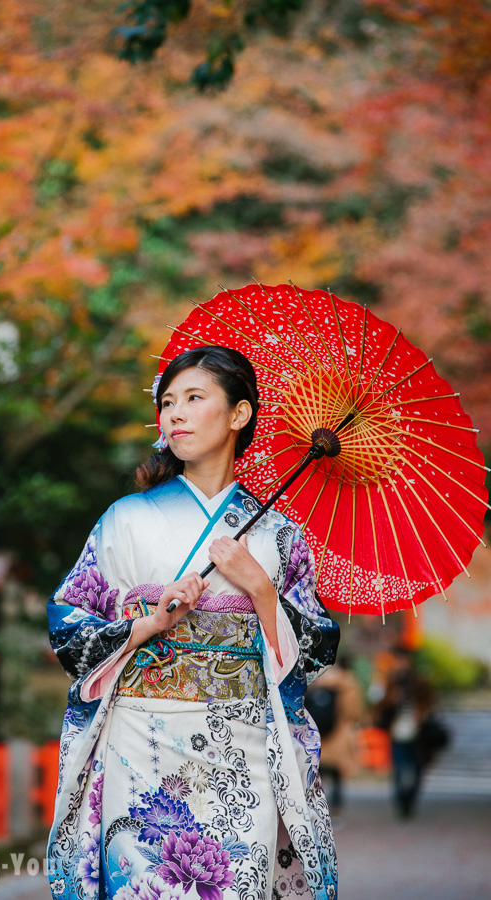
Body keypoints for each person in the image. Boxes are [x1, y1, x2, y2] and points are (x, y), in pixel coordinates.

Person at [46, 346, 340, 900]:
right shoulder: (125, 520)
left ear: (239, 414)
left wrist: (258, 584)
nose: (174, 414)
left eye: (194, 398)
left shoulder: (278, 535)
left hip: (241, 743)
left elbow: (318, 648)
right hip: (140, 739)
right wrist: (148, 624)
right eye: (168, 402)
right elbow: (69, 626)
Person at [375, 645, 434, 818]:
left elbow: (430, 702)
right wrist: (391, 699)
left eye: (404, 660)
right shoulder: (390, 682)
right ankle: (401, 802)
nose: (401, 664)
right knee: (400, 769)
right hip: (397, 731)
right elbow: (378, 706)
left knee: (416, 770)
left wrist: (421, 713)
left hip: (418, 732)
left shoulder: (419, 681)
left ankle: (410, 800)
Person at [307, 656, 364, 815]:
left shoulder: (317, 681)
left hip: (319, 733)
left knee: (319, 772)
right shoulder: (349, 685)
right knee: (337, 775)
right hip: (340, 733)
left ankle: (317, 806)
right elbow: (355, 712)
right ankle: (337, 807)